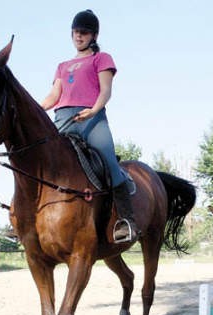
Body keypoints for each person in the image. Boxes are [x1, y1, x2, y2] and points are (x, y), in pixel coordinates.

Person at [41, 9, 139, 243]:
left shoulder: (102, 58)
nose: (78, 36)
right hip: (63, 118)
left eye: (84, 32)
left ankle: (127, 221)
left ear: (93, 35)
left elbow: (106, 91)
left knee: (109, 163)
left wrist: (93, 110)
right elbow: (54, 95)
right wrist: (35, 109)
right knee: (43, 161)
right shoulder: (62, 65)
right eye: (75, 32)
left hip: (91, 118)